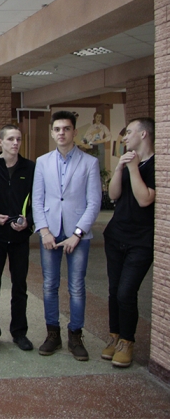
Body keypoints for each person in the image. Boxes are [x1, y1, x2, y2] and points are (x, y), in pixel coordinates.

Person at [33, 110, 102, 361]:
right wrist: (44, 231)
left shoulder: (89, 162)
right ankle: (53, 334)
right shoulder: (42, 162)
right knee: (49, 285)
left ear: (74, 131)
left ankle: (75, 335)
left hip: (77, 234)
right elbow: (37, 200)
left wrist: (78, 234)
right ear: (52, 133)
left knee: (77, 286)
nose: (61, 133)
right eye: (57, 129)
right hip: (50, 232)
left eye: (66, 128)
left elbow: (94, 202)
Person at [102, 117, 155, 367]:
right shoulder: (126, 161)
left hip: (141, 240)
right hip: (116, 236)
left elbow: (145, 199)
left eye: (129, 132)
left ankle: (127, 341)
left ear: (143, 134)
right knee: (114, 290)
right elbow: (114, 195)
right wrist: (119, 169)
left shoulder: (157, 165)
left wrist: (133, 168)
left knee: (126, 292)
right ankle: (114, 336)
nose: (124, 137)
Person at [0, 125, 36, 352]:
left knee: (19, 286)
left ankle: (19, 332)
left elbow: (38, 200)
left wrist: (28, 221)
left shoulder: (30, 168)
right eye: (11, 139)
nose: (15, 143)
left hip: (19, 237)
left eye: (19, 139)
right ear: (0, 142)